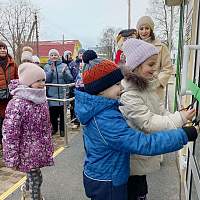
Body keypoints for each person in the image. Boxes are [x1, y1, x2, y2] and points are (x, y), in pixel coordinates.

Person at [74, 52, 198, 200]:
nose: (121, 88)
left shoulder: (102, 110)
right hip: (108, 183)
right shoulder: (105, 119)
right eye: (117, 84)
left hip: (104, 177)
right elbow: (142, 143)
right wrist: (183, 135)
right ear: (101, 89)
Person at [119, 38, 196, 200]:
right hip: (133, 161)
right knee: (136, 192)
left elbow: (160, 111)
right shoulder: (130, 95)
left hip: (140, 160)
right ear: (136, 66)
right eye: (151, 65)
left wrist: (178, 116)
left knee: (141, 190)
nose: (155, 70)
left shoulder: (145, 87)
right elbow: (149, 122)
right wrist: (179, 118)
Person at [2, 62, 54, 200]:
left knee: (34, 177)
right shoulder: (17, 103)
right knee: (36, 179)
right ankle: (32, 197)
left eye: (43, 80)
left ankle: (26, 190)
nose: (42, 83)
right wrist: (12, 157)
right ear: (28, 82)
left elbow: (45, 125)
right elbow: (10, 134)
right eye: (38, 80)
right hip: (26, 151)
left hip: (38, 149)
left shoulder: (41, 99)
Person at [136, 16, 173, 101]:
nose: (144, 31)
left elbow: (167, 68)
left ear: (151, 30)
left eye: (147, 28)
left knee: (155, 112)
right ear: (138, 31)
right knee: (139, 112)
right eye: (141, 29)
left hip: (155, 90)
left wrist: (158, 83)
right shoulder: (135, 47)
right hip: (138, 88)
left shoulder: (162, 47)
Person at [44, 49, 73, 136]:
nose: (54, 57)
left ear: (58, 56)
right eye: (52, 55)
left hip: (62, 95)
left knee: (63, 114)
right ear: (49, 57)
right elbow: (46, 80)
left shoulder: (64, 65)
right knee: (53, 115)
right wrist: (51, 71)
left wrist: (64, 73)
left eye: (55, 55)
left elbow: (70, 79)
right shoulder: (46, 66)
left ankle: (62, 130)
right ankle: (55, 128)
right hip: (52, 95)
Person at [0, 41, 18, 153]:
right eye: (0, 48)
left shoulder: (13, 64)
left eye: (4, 48)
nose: (2, 50)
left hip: (9, 98)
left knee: (8, 120)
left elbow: (17, 78)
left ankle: (7, 142)